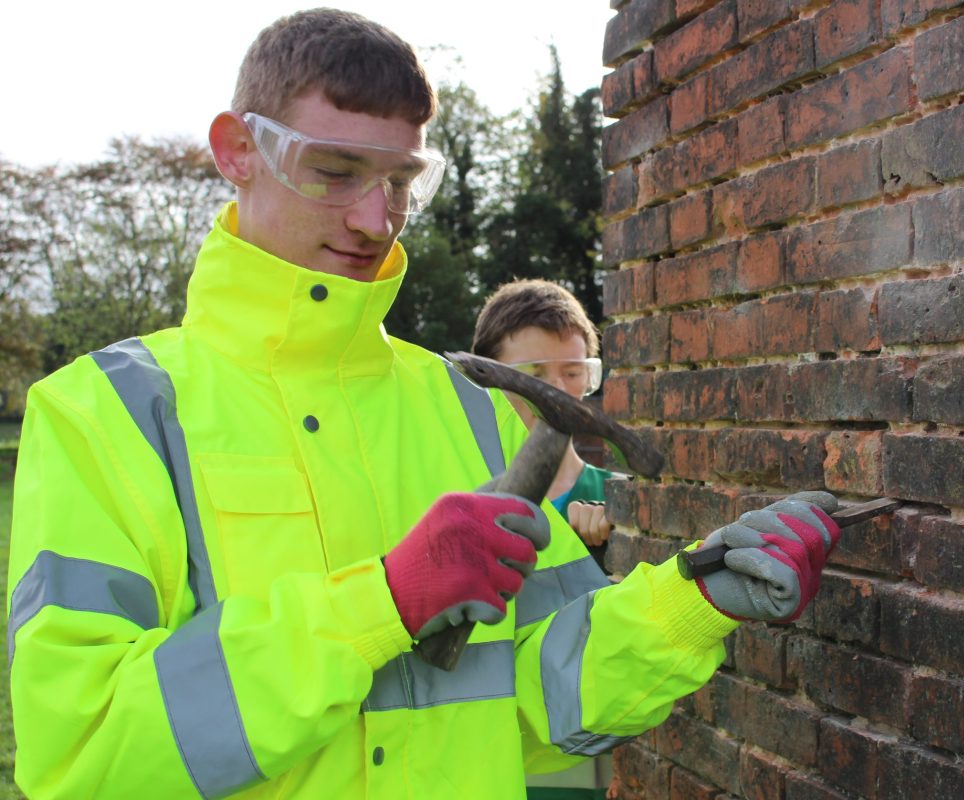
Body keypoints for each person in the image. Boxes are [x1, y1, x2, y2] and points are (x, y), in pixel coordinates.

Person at [6, 9, 841, 799]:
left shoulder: (467, 404)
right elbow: (84, 752)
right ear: (237, 151)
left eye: (404, 180)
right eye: (335, 172)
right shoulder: (105, 412)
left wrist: (694, 602)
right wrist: (388, 600)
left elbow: (547, 694)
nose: (378, 219)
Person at [473, 279, 617, 573]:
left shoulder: (620, 498)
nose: (556, 393)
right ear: (485, 382)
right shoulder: (454, 500)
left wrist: (620, 540)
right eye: (532, 376)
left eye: (573, 372)